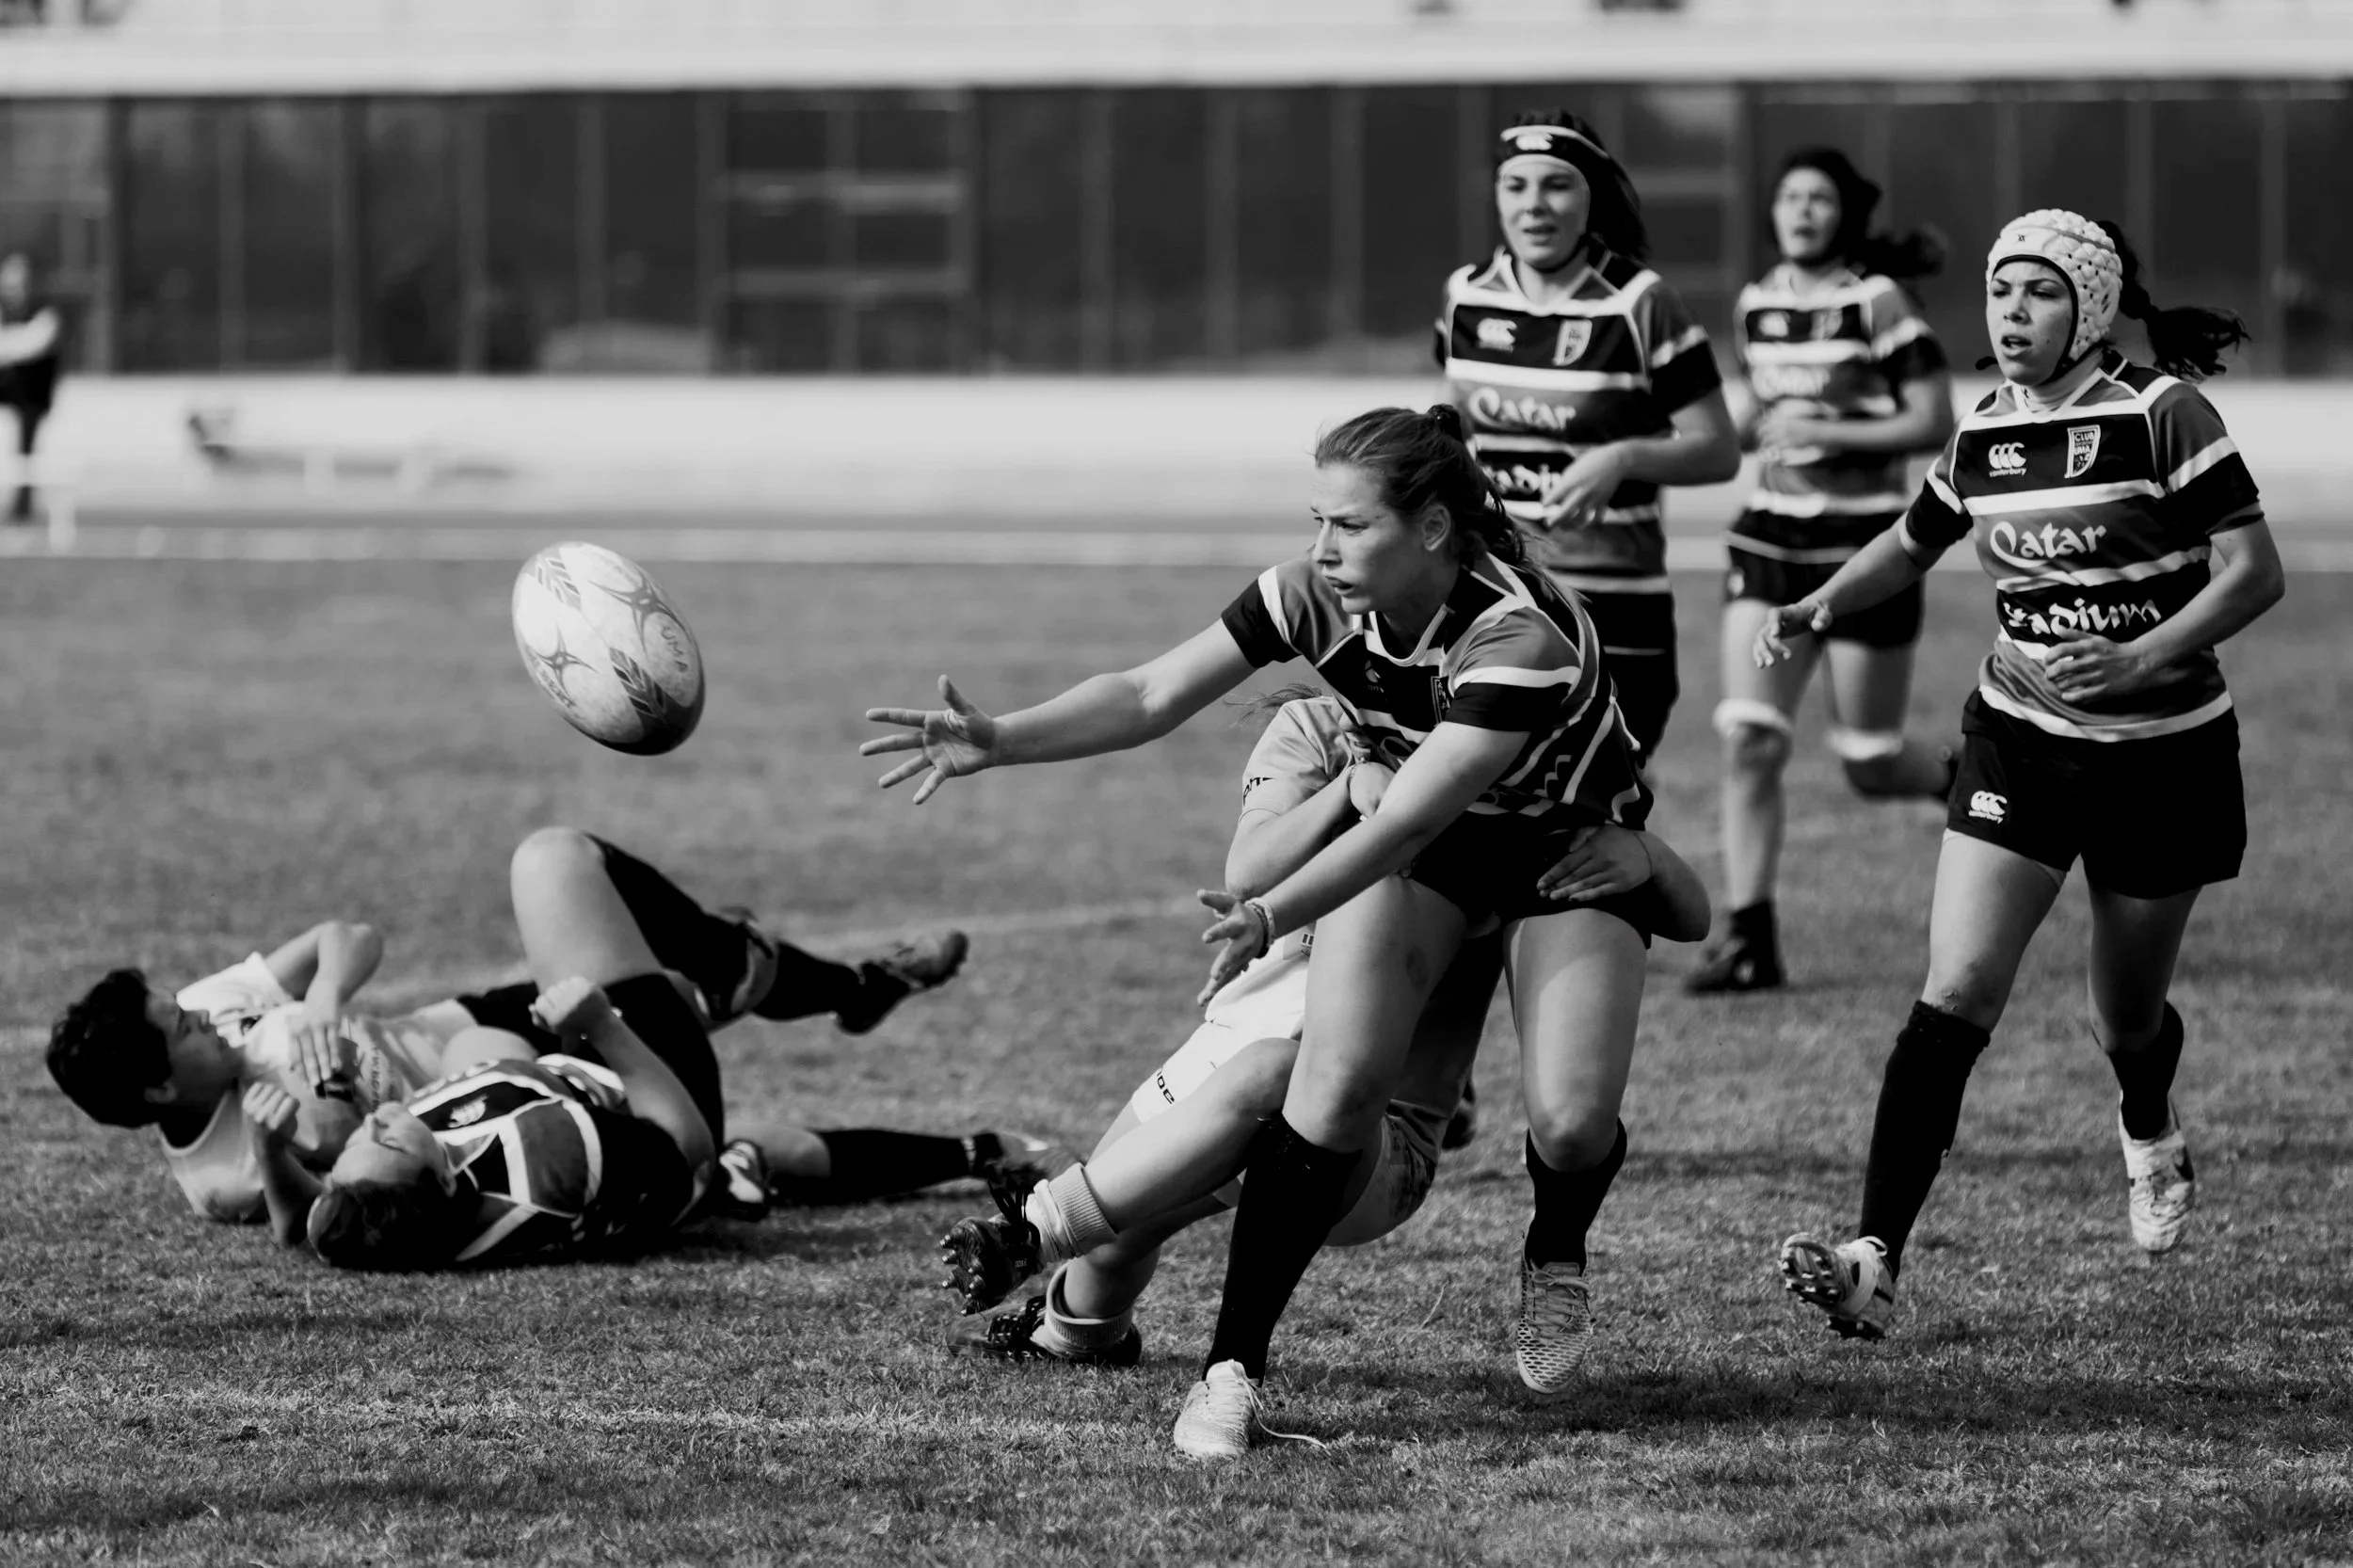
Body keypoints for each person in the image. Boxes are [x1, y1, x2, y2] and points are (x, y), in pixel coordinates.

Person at [865, 405, 1705, 1459]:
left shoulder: (1517, 637)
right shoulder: (1314, 596)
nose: (1320, 549)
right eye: (1316, 520)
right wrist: (1000, 737)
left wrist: (1271, 912)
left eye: (1348, 526)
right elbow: (1148, 691)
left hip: (1557, 851)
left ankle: (1556, 1249)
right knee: (1327, 1082)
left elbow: (1403, 813)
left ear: (1434, 529)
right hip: (1432, 849)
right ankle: (1231, 1375)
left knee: (1573, 1123)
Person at [1765, 211, 2283, 1339]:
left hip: (2164, 752)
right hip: (2019, 737)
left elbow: (2254, 571)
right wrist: (1816, 604)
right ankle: (1873, 1259)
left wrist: (2140, 651)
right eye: (2001, 292)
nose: (2010, 315)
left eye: (2039, 294)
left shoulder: (2162, 415)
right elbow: (1910, 543)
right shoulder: (1984, 428)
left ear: (2088, 308)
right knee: (1952, 992)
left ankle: (2145, 1121)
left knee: (2123, 1019)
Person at [935, 693, 1706, 1369]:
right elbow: (1248, 871)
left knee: (1275, 1074)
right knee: (1116, 1243)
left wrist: (1644, 853)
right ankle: (1075, 1335)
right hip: (1224, 1051)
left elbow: (1682, 914)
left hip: (1373, 1138)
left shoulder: (1504, 756)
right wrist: (1346, 789)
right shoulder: (1317, 724)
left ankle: (1035, 1229)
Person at [45, 829, 973, 1224]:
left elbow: (351, 936)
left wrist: (322, 1001)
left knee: (693, 973)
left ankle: (819, 982)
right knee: (660, 954)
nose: (203, 1013)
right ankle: (821, 985)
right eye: (184, 1028)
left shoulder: (216, 1004)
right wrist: (300, 1127)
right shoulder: (222, 1176)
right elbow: (356, 1195)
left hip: (473, 1022)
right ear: (161, 1088)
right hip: (518, 1091)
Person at [238, 828, 1059, 1268]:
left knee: (770, 1150)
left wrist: (270, 1147)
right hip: (653, 1092)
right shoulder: (548, 1160)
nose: (374, 1119)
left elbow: (304, 1225)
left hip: (566, 1083)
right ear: (449, 1170)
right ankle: (743, 967)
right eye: (386, 1136)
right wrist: (602, 1024)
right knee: (552, 861)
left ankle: (857, 1017)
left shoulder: (381, 1215)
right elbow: (689, 1145)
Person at [1691, 148, 1960, 994]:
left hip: (1866, 551)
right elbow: (1750, 418)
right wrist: (1702, 419)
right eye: (1789, 197)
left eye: (1818, 198)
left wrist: (1830, 429)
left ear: (1844, 214)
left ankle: (1975, 785)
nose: (1802, 211)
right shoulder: (1756, 306)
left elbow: (1933, 420)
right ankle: (1748, 940)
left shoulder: (1875, 302)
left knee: (1870, 762)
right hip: (1769, 541)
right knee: (1749, 740)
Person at [1438, 111, 1742, 762]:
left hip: (1615, 606)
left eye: (1557, 185)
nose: (1534, 205)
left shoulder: (1639, 302)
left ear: (1591, 198)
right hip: (1497, 592)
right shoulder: (1466, 296)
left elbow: (1718, 449)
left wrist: (1623, 456)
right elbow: (1455, 428)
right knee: (1477, 818)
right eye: (1516, 186)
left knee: (1591, 825)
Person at [0, 252, 63, 524]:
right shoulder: (5, 308)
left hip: (32, 393)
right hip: (7, 385)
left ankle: (22, 507)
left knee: (26, 447)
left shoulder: (44, 309)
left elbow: (34, 342)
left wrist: (9, 343)